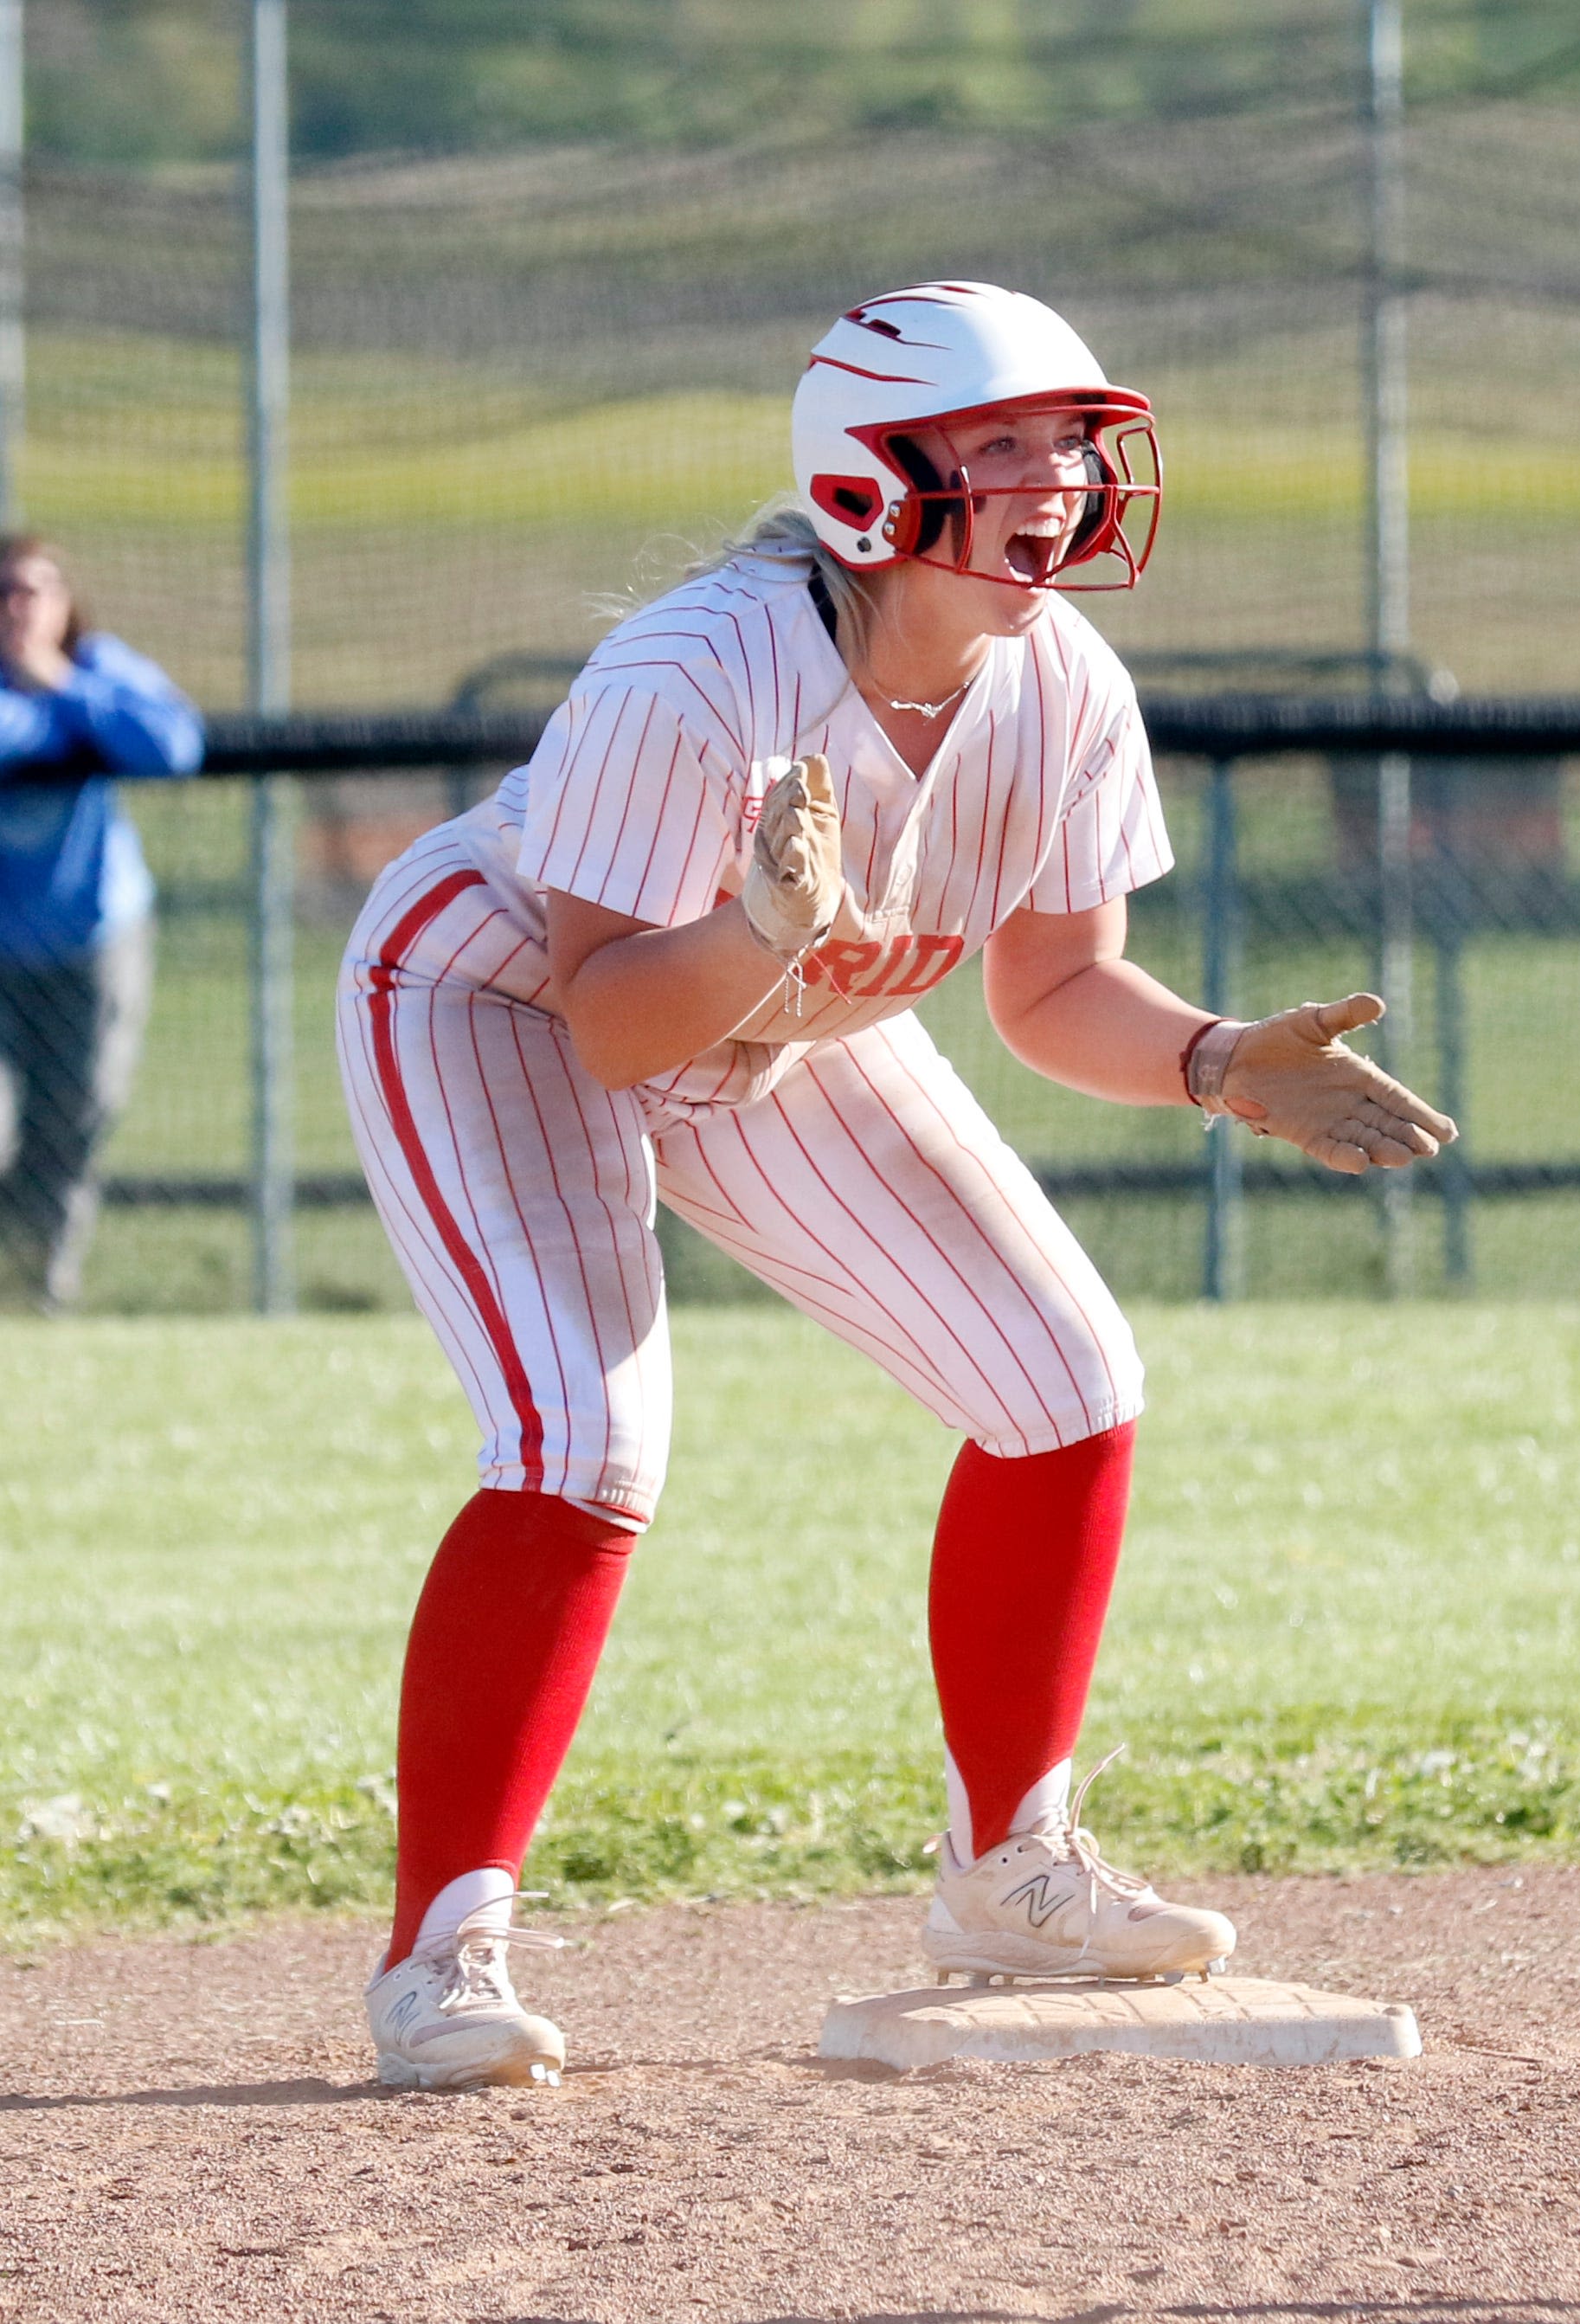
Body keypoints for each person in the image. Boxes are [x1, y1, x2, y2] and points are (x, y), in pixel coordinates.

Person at [338, 281, 1456, 2091]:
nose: (1060, 476)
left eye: (1072, 442)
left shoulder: (1060, 686)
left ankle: (1011, 1871)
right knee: (580, 1439)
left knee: (1063, 1378)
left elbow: (1050, 991)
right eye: (1001, 443)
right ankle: (438, 1951)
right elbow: (618, 1021)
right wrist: (756, 926)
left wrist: (1209, 1055)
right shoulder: (693, 669)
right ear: (870, 479)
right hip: (503, 1000)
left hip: (777, 1015)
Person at [0, 535, 203, 1309]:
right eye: (5, 592)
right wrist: (53, 723)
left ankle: (34, 1293)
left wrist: (59, 686)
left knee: (73, 1122)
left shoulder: (95, 665)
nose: (20, 607)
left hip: (93, 940)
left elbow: (173, 744)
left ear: (64, 603)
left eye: (37, 589)